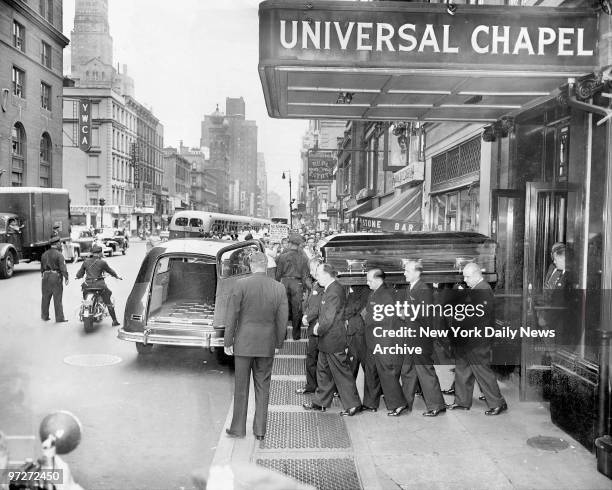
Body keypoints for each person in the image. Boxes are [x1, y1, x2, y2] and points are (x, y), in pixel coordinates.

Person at [224, 252, 288, 440]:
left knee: (241, 387)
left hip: (244, 343)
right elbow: (282, 319)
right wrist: (279, 342)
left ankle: (238, 429)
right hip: (267, 343)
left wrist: (228, 341)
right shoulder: (279, 288)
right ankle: (260, 431)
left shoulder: (241, 285)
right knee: (263, 386)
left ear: (251, 265)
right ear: (266, 265)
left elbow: (231, 316)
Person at [447, 262, 508, 415]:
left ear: (475, 275)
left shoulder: (483, 290)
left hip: (476, 340)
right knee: (462, 368)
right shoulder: (476, 289)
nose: (465, 280)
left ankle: (498, 403)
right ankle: (462, 401)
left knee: (482, 370)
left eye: (467, 277)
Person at [303, 264, 362, 416]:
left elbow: (329, 317)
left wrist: (318, 328)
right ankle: (320, 402)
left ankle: (353, 404)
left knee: (341, 372)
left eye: (319, 274)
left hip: (332, 338)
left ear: (328, 274)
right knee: (323, 371)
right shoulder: (330, 288)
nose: (317, 277)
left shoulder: (334, 290)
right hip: (327, 338)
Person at [399, 259, 446, 417]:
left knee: (425, 371)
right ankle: (406, 404)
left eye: (407, 271)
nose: (404, 273)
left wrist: (406, 314)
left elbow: (425, 314)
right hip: (410, 337)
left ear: (417, 272)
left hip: (420, 338)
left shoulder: (423, 289)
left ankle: (436, 405)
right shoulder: (411, 288)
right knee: (407, 370)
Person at [363, 269, 407, 416]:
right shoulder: (374, 293)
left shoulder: (387, 295)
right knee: (371, 372)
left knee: (386, 373)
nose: (367, 283)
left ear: (377, 279)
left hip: (383, 341)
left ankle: (398, 404)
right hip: (372, 340)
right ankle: (370, 403)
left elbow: (387, 321)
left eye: (369, 280)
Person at [296, 258, 325, 394]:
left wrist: (307, 316)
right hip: (312, 325)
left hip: (318, 326)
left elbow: (318, 307)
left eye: (314, 270)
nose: (312, 273)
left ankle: (316, 387)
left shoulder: (322, 286)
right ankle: (312, 385)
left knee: (315, 359)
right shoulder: (316, 284)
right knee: (312, 358)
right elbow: (310, 303)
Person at [75, 244, 123, 326]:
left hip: (87, 285)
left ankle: (86, 308)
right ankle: (114, 321)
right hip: (99, 285)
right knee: (108, 300)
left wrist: (77, 277)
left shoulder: (85, 262)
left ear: (93, 253)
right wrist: (117, 276)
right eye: (101, 252)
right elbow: (110, 271)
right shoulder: (102, 262)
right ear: (100, 253)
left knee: (85, 296)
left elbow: (79, 274)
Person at [276, 234, 310, 340]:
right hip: (297, 283)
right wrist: (305, 288)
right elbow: (305, 276)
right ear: (299, 244)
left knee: (283, 309)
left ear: (290, 243)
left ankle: (283, 335)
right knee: (297, 310)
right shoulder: (303, 257)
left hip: (284, 282)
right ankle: (296, 335)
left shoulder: (282, 256)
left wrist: (276, 285)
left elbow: (278, 274)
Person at [40, 236, 69, 323]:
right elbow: (63, 267)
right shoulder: (59, 254)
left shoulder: (44, 254)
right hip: (55, 277)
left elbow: (41, 267)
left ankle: (44, 316)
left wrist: (43, 274)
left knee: (45, 297)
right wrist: (66, 277)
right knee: (57, 298)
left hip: (45, 277)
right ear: (56, 244)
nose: (60, 244)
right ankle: (59, 318)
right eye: (59, 243)